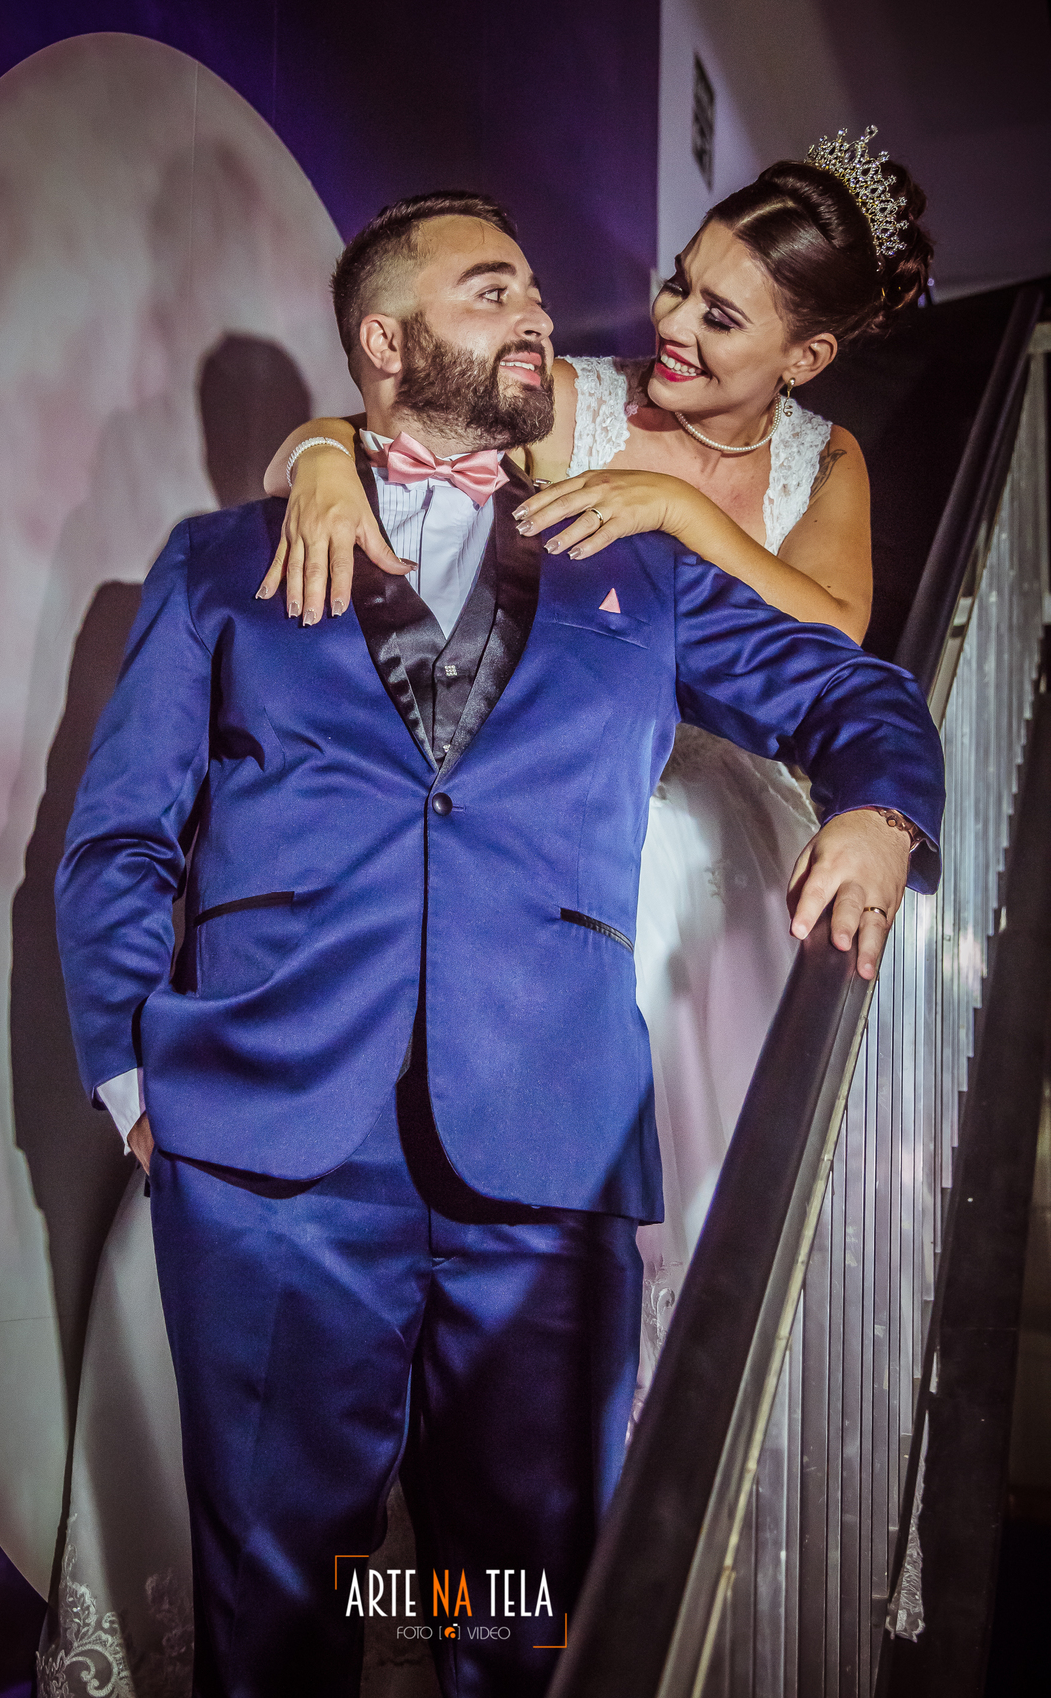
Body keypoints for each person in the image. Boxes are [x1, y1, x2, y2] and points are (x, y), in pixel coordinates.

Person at [55, 188, 943, 1698]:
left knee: (518, 1612)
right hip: (269, 1169)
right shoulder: (219, 563)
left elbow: (852, 690)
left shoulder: (634, 569)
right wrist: (143, 1089)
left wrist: (883, 811)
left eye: (536, 292)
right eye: (492, 291)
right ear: (386, 343)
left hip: (549, 1161)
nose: (539, 314)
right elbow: (120, 842)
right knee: (276, 1612)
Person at [256, 132, 935, 1383]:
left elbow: (833, 637)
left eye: (720, 316)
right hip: (556, 793)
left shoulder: (823, 458)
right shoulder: (571, 398)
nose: (671, 322)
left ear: (805, 360)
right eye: (679, 282)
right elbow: (396, 421)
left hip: (726, 797)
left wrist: (675, 513)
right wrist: (314, 457)